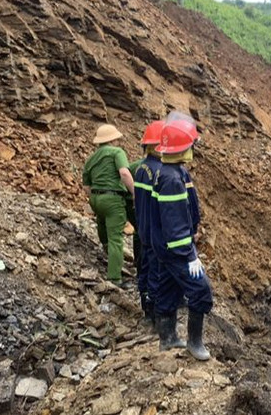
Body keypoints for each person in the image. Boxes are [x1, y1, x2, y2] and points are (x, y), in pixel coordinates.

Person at [150, 117, 212, 360]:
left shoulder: (170, 172)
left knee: (168, 286)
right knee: (200, 289)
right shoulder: (172, 179)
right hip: (176, 249)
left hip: (165, 248)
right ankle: (194, 343)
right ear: (183, 148)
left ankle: (167, 339)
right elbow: (174, 225)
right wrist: (189, 256)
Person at [82, 123, 135, 286]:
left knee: (103, 226)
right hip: (112, 198)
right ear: (114, 139)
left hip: (96, 198)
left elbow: (86, 187)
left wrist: (96, 200)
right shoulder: (117, 152)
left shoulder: (91, 158)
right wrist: (135, 194)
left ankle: (107, 252)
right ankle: (114, 278)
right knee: (116, 238)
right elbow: (125, 173)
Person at [131, 120, 165, 327]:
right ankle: (156, 312)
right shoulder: (159, 172)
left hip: (143, 226)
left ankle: (146, 303)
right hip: (155, 229)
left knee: (144, 265)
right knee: (156, 268)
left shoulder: (142, 168)